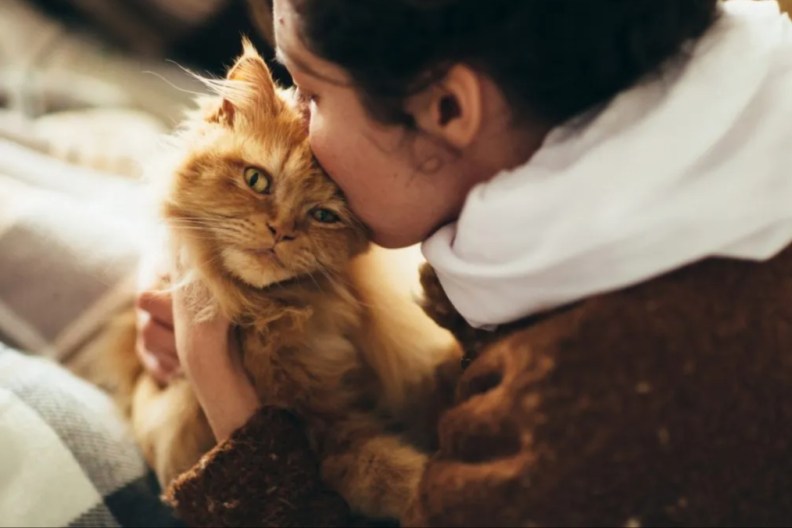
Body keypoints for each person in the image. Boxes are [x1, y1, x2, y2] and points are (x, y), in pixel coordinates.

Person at [136, 0, 792, 525]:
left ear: (448, 109)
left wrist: (215, 371)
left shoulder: (563, 420)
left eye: (312, 95)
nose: (298, 123)